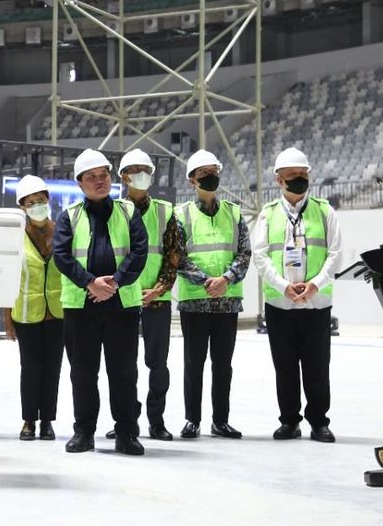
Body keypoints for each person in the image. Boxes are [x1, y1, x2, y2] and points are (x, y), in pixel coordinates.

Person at [53, 149, 148, 456]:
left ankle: (126, 433)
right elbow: (63, 257)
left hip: (122, 306)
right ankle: (84, 433)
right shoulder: (68, 217)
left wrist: (115, 282)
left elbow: (139, 253)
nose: (99, 181)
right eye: (91, 177)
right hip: (82, 306)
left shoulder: (129, 212)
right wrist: (91, 283)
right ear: (80, 183)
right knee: (82, 372)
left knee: (123, 372)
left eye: (103, 176)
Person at [251, 147, 343, 443]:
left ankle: (319, 422)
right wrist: (283, 286)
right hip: (280, 304)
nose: (299, 180)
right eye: (292, 176)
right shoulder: (267, 215)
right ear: (279, 180)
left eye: (303, 175)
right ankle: (289, 421)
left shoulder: (325, 210)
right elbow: (261, 257)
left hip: (317, 303)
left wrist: (315, 284)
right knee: (285, 366)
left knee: (318, 366)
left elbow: (336, 253)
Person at [105, 148, 180, 442]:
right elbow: (109, 256)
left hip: (157, 300)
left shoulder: (166, 211)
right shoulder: (113, 211)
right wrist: (131, 289)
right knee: (123, 366)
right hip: (123, 299)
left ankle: (156, 420)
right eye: (136, 170)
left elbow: (174, 255)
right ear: (124, 177)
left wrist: (159, 289)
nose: (142, 175)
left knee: (157, 364)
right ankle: (126, 420)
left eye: (146, 169)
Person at [174, 149, 250, 440]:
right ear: (192, 181)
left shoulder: (234, 212)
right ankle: (192, 419)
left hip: (226, 301)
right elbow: (178, 256)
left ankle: (221, 420)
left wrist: (226, 279)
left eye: (213, 171)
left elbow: (244, 252)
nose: (210, 177)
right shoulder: (181, 215)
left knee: (223, 365)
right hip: (195, 300)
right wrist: (208, 281)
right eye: (203, 174)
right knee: (193, 364)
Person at [4, 175, 64, 442]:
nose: (38, 205)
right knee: (30, 367)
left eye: (41, 201)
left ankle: (47, 421)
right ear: (22, 207)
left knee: (53, 367)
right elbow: (7, 280)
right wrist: (7, 320)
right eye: (31, 202)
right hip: (26, 314)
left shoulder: (62, 232)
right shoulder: (15, 238)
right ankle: (28, 420)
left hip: (58, 313)